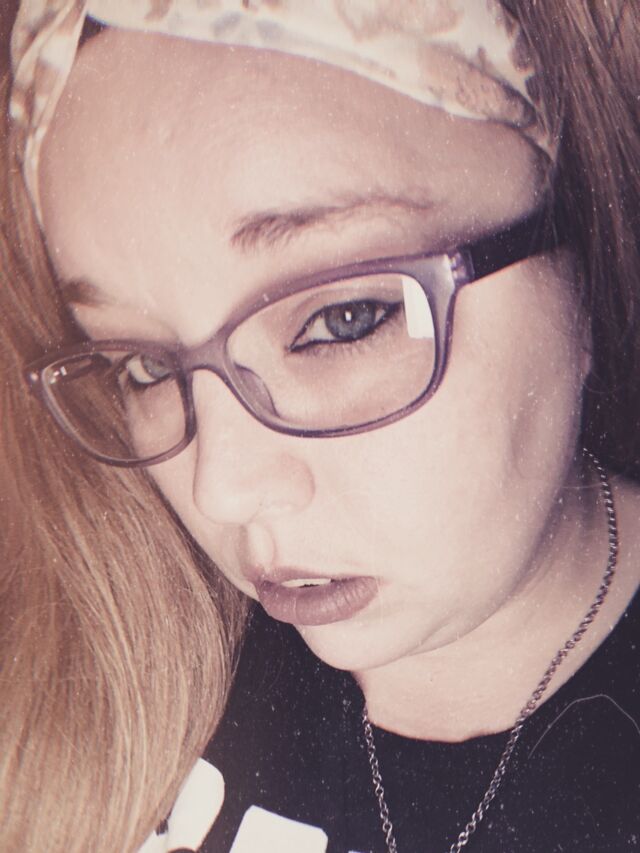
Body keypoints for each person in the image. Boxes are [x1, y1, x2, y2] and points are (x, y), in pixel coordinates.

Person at [1, 2, 639, 851]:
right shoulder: (108, 654)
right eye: (143, 365)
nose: (223, 488)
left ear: (579, 252)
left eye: (343, 320)